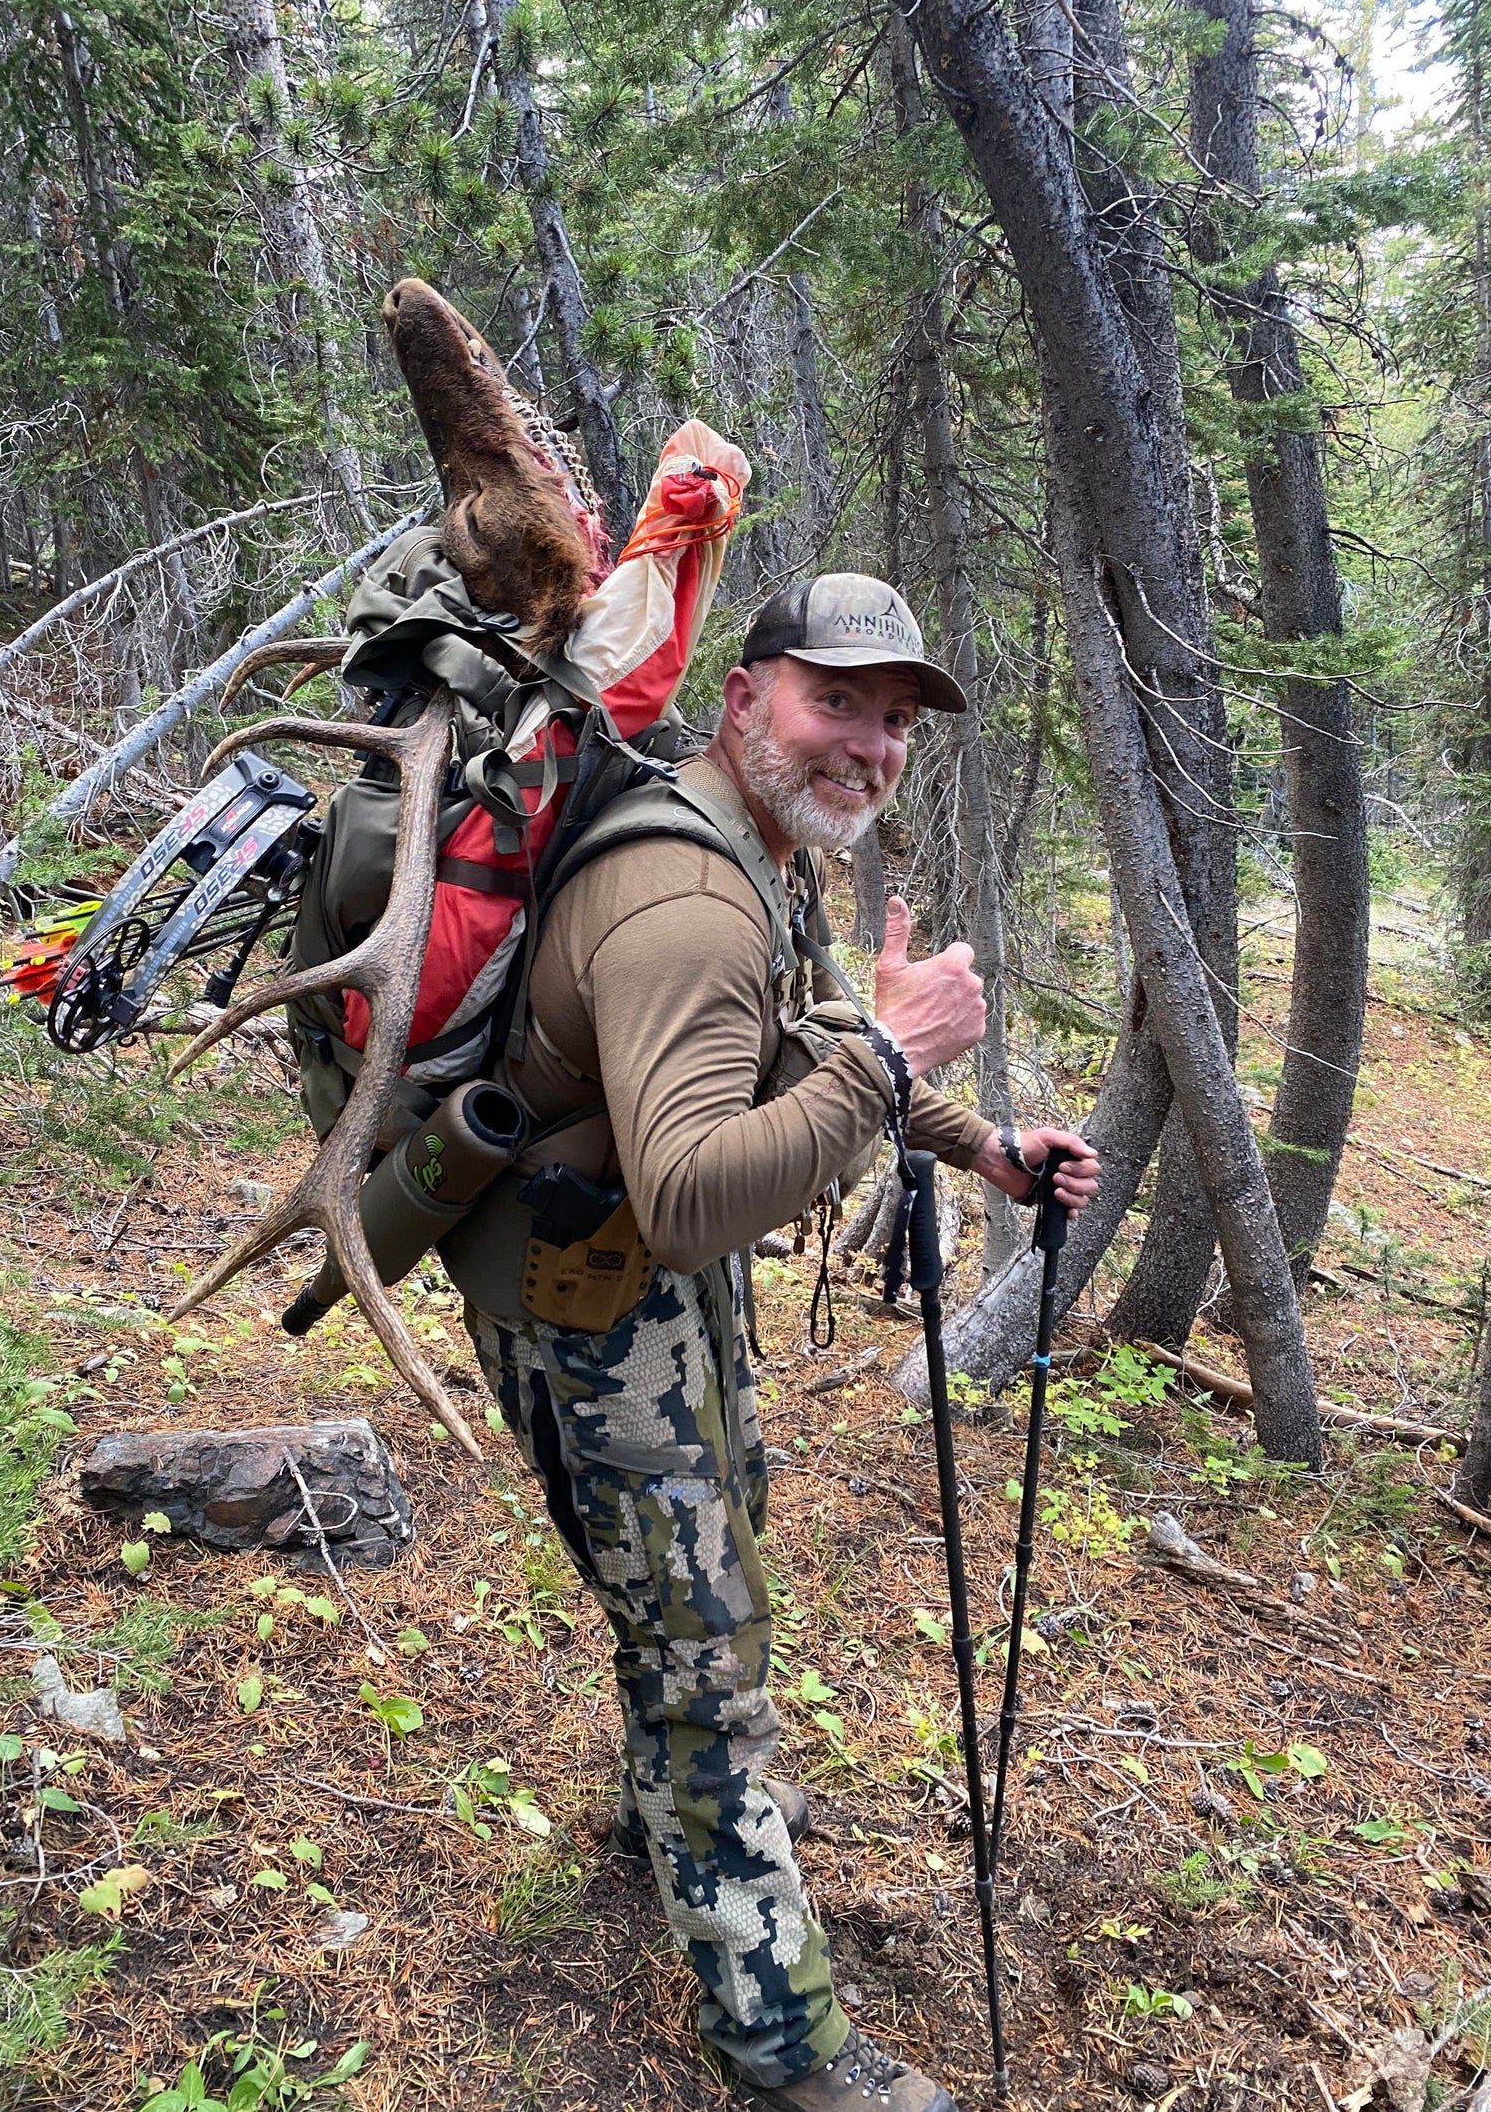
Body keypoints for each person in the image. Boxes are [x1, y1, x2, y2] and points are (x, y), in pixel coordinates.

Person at [440, 573, 1099, 2111]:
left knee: (703, 1577)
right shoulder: (685, 901)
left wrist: (981, 1142)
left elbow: (803, 1042)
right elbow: (684, 1195)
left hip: (640, 1292)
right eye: (834, 701)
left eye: (892, 721)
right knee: (706, 1642)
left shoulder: (762, 843)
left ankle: (661, 1800)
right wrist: (894, 1050)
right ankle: (783, 2041)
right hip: (593, 1300)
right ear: (745, 699)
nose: (868, 743)